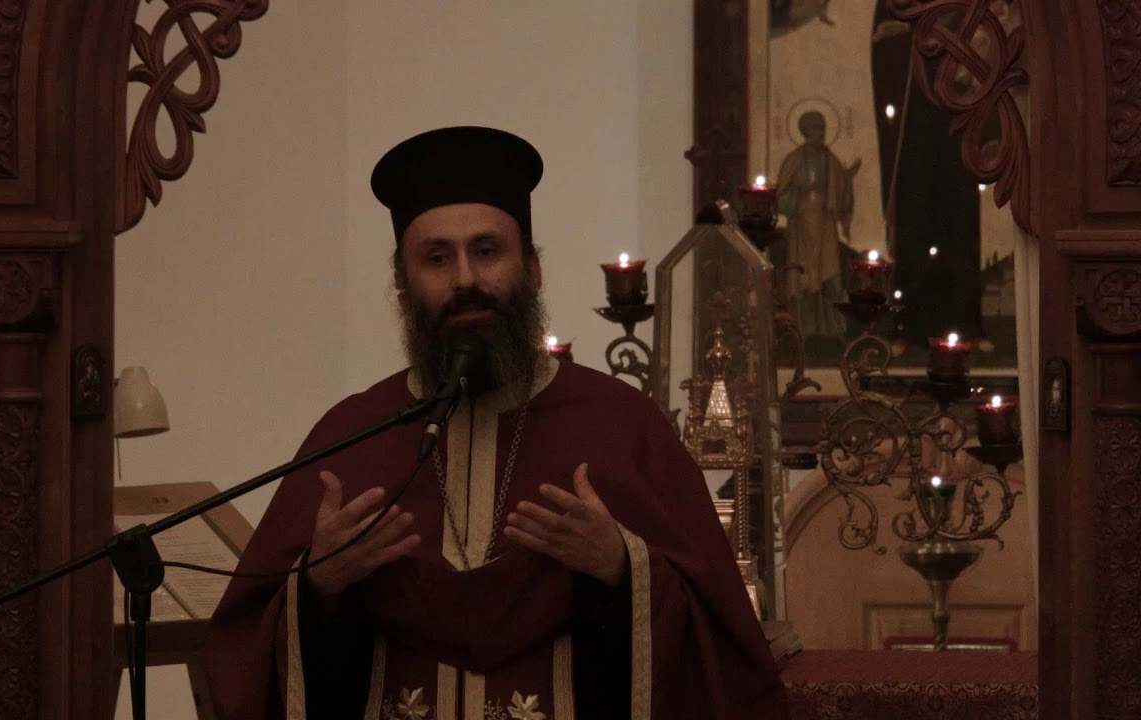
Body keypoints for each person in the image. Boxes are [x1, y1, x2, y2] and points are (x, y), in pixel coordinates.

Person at [204, 126, 785, 720]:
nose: (465, 279)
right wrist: (318, 587)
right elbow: (245, 650)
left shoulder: (621, 425)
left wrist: (623, 569)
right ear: (402, 285)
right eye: (436, 258)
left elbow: (722, 654)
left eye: (487, 251)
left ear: (531, 269)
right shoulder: (354, 435)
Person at [776, 110, 861, 343]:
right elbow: (781, 195)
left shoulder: (831, 161)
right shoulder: (794, 160)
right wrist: (799, 198)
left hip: (825, 226)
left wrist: (847, 179)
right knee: (804, 279)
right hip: (802, 226)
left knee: (830, 276)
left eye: (822, 128)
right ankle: (803, 331)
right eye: (816, 128)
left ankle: (832, 331)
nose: (821, 133)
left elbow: (841, 195)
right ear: (805, 132)